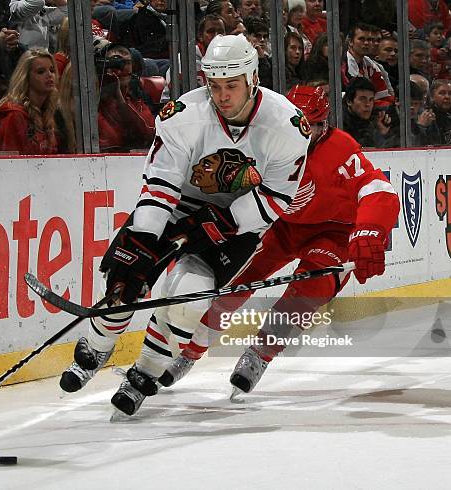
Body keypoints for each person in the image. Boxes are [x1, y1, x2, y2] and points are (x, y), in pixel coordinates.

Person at [59, 34, 311, 416]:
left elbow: (276, 198)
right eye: (214, 85)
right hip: (177, 206)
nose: (222, 95)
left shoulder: (287, 125)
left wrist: (223, 222)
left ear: (253, 78)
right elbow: (160, 184)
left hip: (238, 221)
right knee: (123, 282)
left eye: (231, 85)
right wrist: (145, 239)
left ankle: (145, 372)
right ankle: (96, 346)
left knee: (189, 298)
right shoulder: (184, 115)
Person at [158, 85, 399, 396]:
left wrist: (369, 230)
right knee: (235, 282)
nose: (300, 132)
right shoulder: (266, 139)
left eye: (309, 126)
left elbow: (378, 189)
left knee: (307, 291)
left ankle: (260, 354)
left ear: (322, 123)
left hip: (332, 232)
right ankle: (190, 352)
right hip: (279, 224)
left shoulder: (340, 149)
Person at [0, 48, 69, 154]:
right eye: (41, 72)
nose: (49, 75)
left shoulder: (51, 112)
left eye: (52, 70)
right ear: (25, 77)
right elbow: (8, 165)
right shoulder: (13, 115)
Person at [96, 43, 156, 152]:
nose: (122, 68)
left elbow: (149, 135)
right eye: (116, 63)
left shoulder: (137, 97)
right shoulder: (93, 100)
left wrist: (121, 101)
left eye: (127, 63)